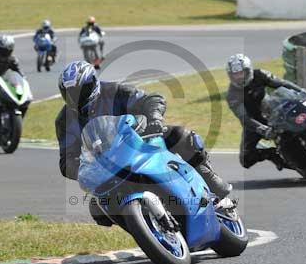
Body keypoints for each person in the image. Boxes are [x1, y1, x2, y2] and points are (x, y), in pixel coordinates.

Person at [55, 60, 232, 201]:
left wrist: (154, 118)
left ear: (93, 83)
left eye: (81, 90)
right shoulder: (64, 120)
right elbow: (66, 161)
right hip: (106, 167)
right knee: (97, 210)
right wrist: (85, 170)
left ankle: (209, 178)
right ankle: (145, 227)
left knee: (182, 137)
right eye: (69, 93)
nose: (75, 97)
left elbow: (152, 99)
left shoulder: (114, 92)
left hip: (138, 142)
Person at [226, 53, 306, 170]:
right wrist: (262, 129)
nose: (239, 77)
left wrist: (303, 92)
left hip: (273, 112)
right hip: (253, 124)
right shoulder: (232, 95)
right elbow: (243, 117)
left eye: (241, 73)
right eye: (235, 75)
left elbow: (282, 83)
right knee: (246, 160)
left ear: (248, 70)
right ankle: (271, 154)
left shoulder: (260, 74)